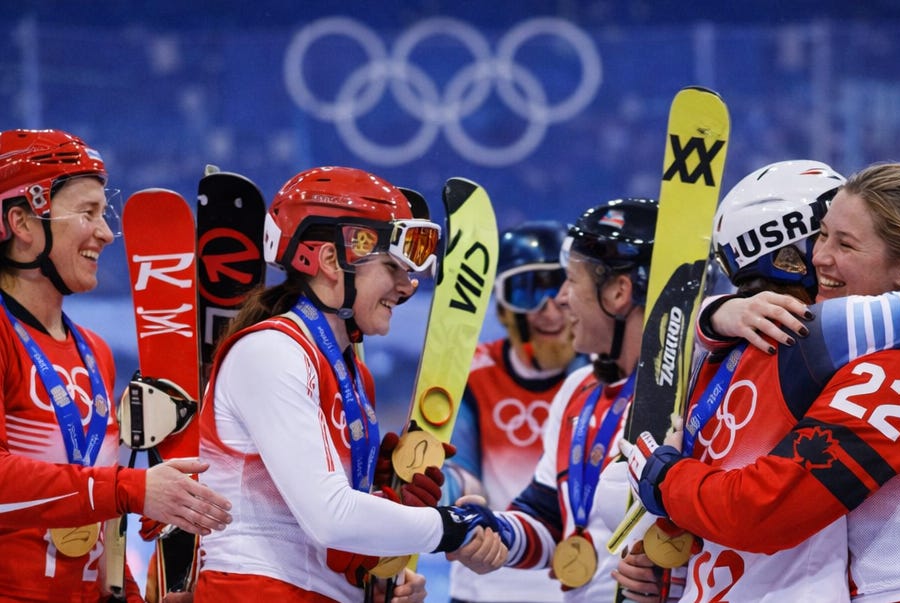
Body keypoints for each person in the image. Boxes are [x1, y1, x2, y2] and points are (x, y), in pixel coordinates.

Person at [627, 162, 900, 601]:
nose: (819, 258)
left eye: (845, 244)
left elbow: (761, 513)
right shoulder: (871, 353)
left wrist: (662, 477)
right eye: (821, 235)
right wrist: (715, 316)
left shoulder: (894, 371)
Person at [194, 166, 508, 603]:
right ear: (329, 261)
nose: (407, 286)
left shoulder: (352, 373)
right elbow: (329, 516)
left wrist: (377, 573)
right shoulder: (270, 351)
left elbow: (319, 537)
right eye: (392, 266)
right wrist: (451, 527)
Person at [0, 128, 234, 602]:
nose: (106, 233)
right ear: (22, 222)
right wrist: (133, 488)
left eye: (103, 213)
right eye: (87, 212)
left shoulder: (94, 352)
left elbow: (100, 515)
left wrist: (126, 593)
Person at [447, 197, 689, 602]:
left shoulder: (694, 391)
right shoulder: (579, 389)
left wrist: (679, 579)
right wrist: (495, 531)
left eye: (570, 281)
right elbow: (547, 516)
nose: (559, 300)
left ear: (618, 292)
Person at [441, 220, 581, 603]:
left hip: (572, 588)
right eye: (528, 290)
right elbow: (459, 471)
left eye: (561, 288)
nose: (550, 310)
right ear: (503, 308)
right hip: (483, 584)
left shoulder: (602, 378)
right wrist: (437, 491)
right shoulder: (469, 374)